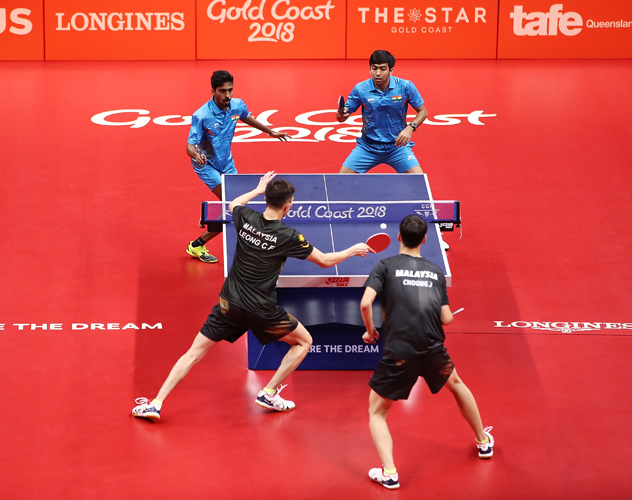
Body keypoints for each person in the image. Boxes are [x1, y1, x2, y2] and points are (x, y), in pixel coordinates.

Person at [132, 172, 372, 421]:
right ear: (288, 205)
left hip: (229, 304)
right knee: (303, 342)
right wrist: (352, 250)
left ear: (266, 199)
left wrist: (257, 189)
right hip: (262, 310)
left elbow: (234, 203)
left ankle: (156, 403)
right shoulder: (288, 237)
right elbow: (324, 261)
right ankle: (269, 392)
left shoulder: (245, 218)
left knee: (193, 353)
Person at [359, 214, 493, 490]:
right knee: (456, 385)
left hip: (399, 352)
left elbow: (365, 303)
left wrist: (370, 331)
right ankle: (483, 442)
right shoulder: (435, 272)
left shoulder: (384, 266)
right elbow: (446, 319)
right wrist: (448, 316)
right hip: (432, 349)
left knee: (377, 412)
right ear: (424, 239)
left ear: (399, 237)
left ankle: (390, 472)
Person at [186, 70, 290, 264]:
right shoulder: (201, 115)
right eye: (222, 91)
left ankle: (199, 240)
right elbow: (189, 147)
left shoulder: (237, 104)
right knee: (233, 205)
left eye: (230, 90)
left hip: (226, 162)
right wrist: (196, 155)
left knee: (236, 206)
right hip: (206, 165)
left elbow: (246, 116)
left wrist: (270, 132)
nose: (227, 95)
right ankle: (216, 233)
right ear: (213, 91)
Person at [337, 50, 428, 175]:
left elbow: (423, 112)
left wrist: (410, 128)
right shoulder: (360, 89)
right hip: (368, 147)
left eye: (383, 69)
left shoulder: (405, 86)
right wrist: (342, 115)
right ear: (369, 69)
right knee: (342, 178)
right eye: (374, 68)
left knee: (417, 177)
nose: (378, 73)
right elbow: (342, 117)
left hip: (398, 147)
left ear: (391, 70)